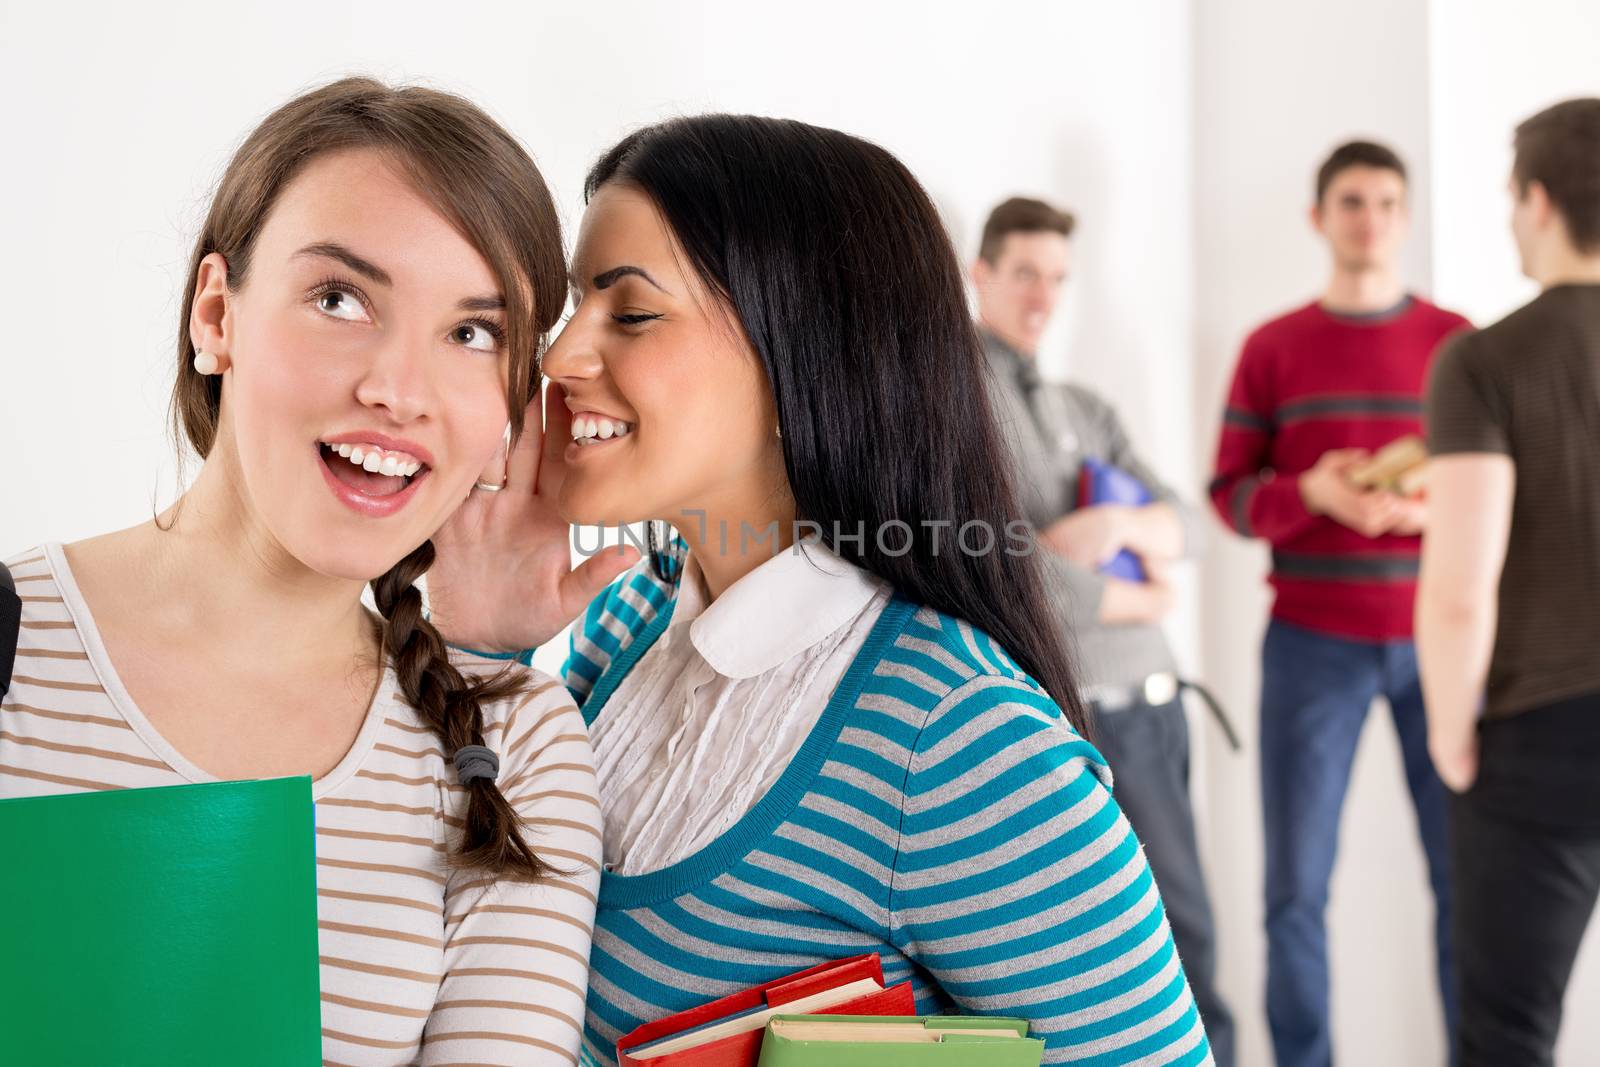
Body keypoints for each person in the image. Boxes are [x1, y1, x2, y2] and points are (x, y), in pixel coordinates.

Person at [428, 114, 1214, 1066]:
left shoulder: (958, 741)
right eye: (574, 308)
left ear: (802, 351)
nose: (560, 357)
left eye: (629, 313)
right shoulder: (627, 619)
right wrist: (482, 650)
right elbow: (467, 931)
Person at [0, 78, 601, 1064]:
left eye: (472, 333)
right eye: (339, 298)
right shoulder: (11, 648)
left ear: (510, 415)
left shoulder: (516, 750)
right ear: (215, 315)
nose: (397, 390)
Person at [1208, 141, 1470, 1066]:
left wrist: (1423, 506)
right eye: (1353, 201)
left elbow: (1494, 492)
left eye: (1388, 202)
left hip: (1440, 644)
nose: (1371, 218)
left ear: (1407, 217)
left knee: (1465, 885)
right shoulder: (1272, 347)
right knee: (1295, 892)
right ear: (1320, 218)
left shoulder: (1457, 343)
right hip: (1311, 644)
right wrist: (1310, 494)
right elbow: (1229, 494)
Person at [972, 196, 1235, 1066]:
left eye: (1057, 278)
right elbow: (1001, 563)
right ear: (982, 275)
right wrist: (1138, 597)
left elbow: (1189, 526)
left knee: (1190, 938)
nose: (1042, 295)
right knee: (1100, 960)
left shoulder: (1085, 404)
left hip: (1156, 709)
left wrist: (1115, 532)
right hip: (1070, 712)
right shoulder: (957, 403)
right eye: (1024, 274)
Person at [1418, 97, 1600, 1067]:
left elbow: (1458, 586)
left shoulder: (1482, 360)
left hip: (1544, 739)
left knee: (1507, 1034)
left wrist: (1450, 736)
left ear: (1536, 200)